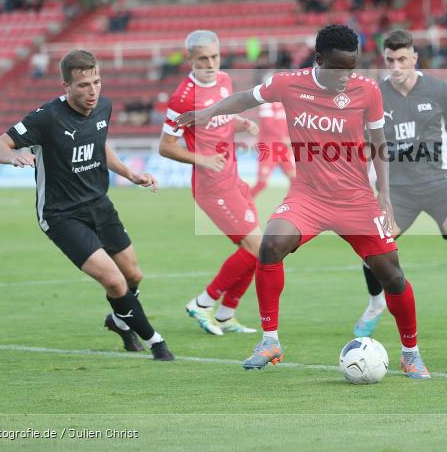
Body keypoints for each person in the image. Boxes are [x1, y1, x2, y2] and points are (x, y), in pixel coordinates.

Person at [176, 24, 430, 379]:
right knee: (270, 246)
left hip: (356, 199)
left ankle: (410, 353)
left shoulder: (367, 90)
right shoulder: (288, 83)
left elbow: (378, 143)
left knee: (392, 276)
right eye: (338, 68)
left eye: (351, 67)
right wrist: (208, 112)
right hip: (308, 196)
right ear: (319, 60)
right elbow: (247, 97)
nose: (345, 76)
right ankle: (269, 341)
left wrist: (384, 195)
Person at [0, 49, 174, 361]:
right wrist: (13, 156)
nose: (93, 91)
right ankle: (156, 341)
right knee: (114, 280)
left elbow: (99, 145)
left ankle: (119, 318)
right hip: (61, 215)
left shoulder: (104, 107)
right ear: (66, 86)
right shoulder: (46, 117)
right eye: (84, 85)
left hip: (99, 204)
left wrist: (130, 173)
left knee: (133, 275)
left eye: (96, 82)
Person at [352, 30, 447, 342]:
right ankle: (376, 304)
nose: (396, 65)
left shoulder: (440, 90)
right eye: (390, 59)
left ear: (414, 58)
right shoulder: (374, 96)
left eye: (402, 59)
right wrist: (366, 187)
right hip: (398, 189)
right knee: (373, 249)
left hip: (438, 184)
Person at [159, 30, 261, 335]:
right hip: (211, 186)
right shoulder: (183, 98)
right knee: (258, 246)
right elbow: (166, 146)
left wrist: (242, 123)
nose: (211, 63)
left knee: (254, 249)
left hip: (233, 177)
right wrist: (202, 160)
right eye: (203, 58)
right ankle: (203, 303)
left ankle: (227, 314)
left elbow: (222, 117)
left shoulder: (225, 81)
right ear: (190, 59)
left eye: (215, 56)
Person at [250, 94, 296, 198]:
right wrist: (282, 137)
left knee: (295, 180)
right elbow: (267, 125)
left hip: (283, 149)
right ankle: (244, 202)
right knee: (262, 183)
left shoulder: (286, 104)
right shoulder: (267, 103)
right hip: (269, 147)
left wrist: (290, 137)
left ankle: (290, 206)